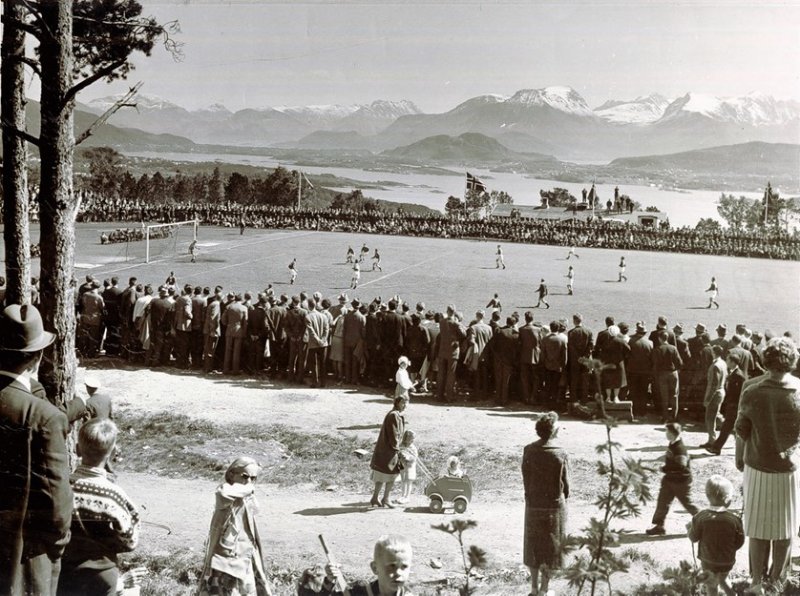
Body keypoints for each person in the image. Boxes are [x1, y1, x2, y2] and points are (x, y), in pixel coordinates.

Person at [0, 304, 73, 596]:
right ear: (37, 357)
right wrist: (57, 543)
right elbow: (57, 502)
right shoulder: (43, 415)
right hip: (26, 553)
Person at [734, 337, 800, 592]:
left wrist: (739, 459)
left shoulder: (753, 391)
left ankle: (756, 581)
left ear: (764, 361)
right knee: (785, 529)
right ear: (792, 361)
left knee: (758, 529)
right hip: (789, 470)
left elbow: (742, 431)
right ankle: (777, 581)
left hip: (758, 466)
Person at [59, 419, 141, 596]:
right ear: (112, 452)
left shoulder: (61, 487)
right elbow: (131, 540)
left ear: (77, 449)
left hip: (64, 574)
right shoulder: (114, 495)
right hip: (102, 576)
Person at [198, 457, 272, 596]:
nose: (249, 481)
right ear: (232, 474)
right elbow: (225, 494)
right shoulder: (225, 490)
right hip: (225, 558)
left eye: (253, 478)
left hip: (245, 555)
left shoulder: (245, 495)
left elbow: (255, 510)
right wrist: (248, 488)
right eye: (244, 476)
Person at [522, 411, 569, 596]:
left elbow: (525, 475)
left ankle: (533, 588)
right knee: (551, 546)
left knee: (533, 545)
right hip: (553, 505)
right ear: (553, 430)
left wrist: (530, 495)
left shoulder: (529, 450)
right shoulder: (560, 452)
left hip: (533, 502)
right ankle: (544, 589)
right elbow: (566, 483)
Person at [686, 475, 744, 596]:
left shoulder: (700, 517)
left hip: (708, 561)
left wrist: (689, 528)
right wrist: (730, 549)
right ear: (728, 500)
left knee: (711, 585)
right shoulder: (734, 519)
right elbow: (740, 541)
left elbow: (693, 538)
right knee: (722, 579)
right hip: (727, 561)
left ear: (707, 496)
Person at [306, 535, 414, 596]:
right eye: (392, 566)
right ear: (375, 568)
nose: (399, 573)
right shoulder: (358, 592)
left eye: (404, 566)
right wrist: (329, 580)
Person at [646, 422, 699, 535]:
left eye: (667, 431)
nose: (666, 434)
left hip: (680, 481)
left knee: (688, 503)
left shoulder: (680, 448)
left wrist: (665, 469)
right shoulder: (673, 444)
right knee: (662, 502)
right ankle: (659, 526)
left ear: (672, 433)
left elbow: (681, 466)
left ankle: (706, 521)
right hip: (670, 480)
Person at [369, 396, 408, 508]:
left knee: (384, 475)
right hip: (389, 451)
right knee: (391, 475)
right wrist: (397, 449)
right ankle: (383, 498)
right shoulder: (393, 416)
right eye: (402, 403)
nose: (404, 405)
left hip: (387, 450)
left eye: (406, 403)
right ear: (397, 403)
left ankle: (377, 498)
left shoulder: (396, 415)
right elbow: (393, 434)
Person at [706, 351, 746, 455]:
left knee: (726, 427)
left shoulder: (739, 376)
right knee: (733, 428)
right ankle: (743, 448)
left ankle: (716, 448)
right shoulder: (734, 373)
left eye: (728, 360)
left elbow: (741, 393)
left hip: (734, 405)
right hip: (732, 405)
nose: (726, 362)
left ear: (733, 362)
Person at [702, 346, 727, 448]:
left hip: (715, 393)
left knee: (710, 418)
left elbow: (713, 384)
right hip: (721, 391)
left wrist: (708, 399)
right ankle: (731, 426)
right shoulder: (723, 363)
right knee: (716, 415)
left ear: (714, 353)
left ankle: (712, 440)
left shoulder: (715, 365)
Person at [397, 431, 418, 504]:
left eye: (413, 439)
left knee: (409, 481)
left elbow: (414, 457)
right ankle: (403, 495)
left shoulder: (413, 448)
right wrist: (401, 456)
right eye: (411, 438)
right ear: (406, 438)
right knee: (403, 481)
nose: (412, 440)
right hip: (403, 466)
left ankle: (407, 496)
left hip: (410, 467)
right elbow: (398, 453)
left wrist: (408, 458)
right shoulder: (401, 445)